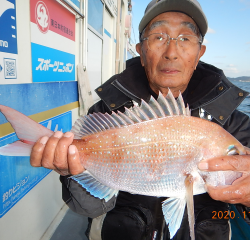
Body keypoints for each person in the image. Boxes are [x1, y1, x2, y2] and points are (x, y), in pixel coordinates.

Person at [30, 0, 250, 239]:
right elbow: (88, 208)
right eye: (159, 37)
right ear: (141, 51)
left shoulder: (235, 124)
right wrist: (71, 171)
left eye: (185, 38)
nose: (171, 52)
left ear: (200, 54)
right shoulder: (107, 112)